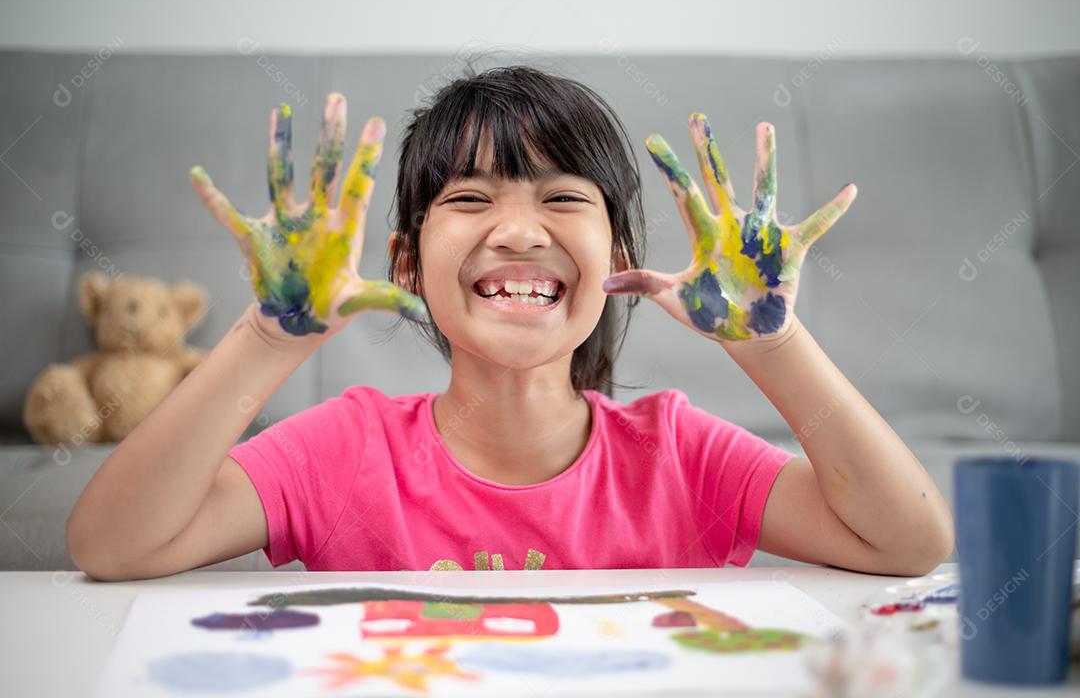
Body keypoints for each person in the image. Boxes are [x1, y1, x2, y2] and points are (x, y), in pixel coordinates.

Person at [66, 65, 953, 580]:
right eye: (471, 199)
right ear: (408, 263)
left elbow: (910, 542)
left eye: (564, 198)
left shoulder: (677, 456)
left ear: (616, 260)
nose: (521, 231)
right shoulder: (347, 450)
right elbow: (111, 544)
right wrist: (271, 337)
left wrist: (774, 344)